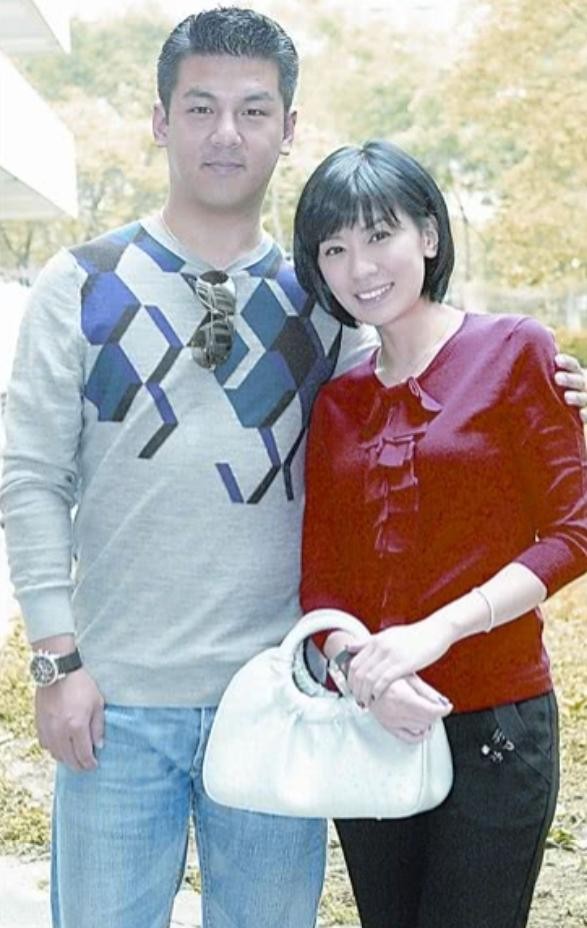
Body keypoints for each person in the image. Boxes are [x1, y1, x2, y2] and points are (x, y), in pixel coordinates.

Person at [0, 7, 584, 928]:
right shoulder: (81, 284)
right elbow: (32, 478)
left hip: (281, 698)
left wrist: (554, 387)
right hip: (117, 704)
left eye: (253, 110)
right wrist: (54, 661)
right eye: (199, 107)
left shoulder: (326, 305)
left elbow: (428, 398)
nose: (225, 133)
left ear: (288, 127)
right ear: (159, 121)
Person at [294, 139, 587, 928]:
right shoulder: (337, 402)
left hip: (496, 724)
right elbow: (321, 582)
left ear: (427, 234)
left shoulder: (515, 350)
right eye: (334, 248)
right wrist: (362, 671)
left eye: (379, 234)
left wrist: (437, 630)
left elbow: (572, 531)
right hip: (373, 718)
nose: (360, 267)